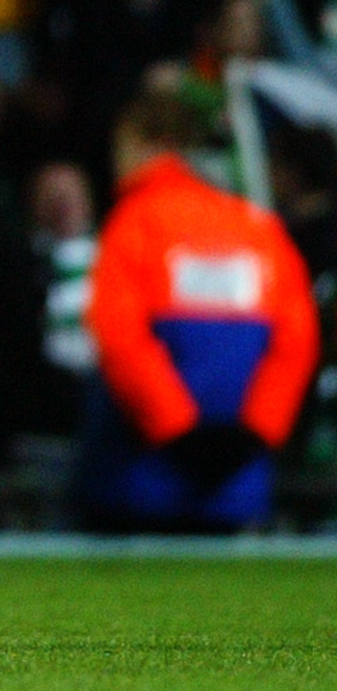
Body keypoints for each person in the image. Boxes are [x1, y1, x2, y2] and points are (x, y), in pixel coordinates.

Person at [76, 93, 320, 533]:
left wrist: (178, 433)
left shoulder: (135, 223)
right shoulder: (256, 229)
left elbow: (119, 337)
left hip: (140, 475)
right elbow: (296, 341)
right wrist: (253, 435)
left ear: (146, 142)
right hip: (236, 478)